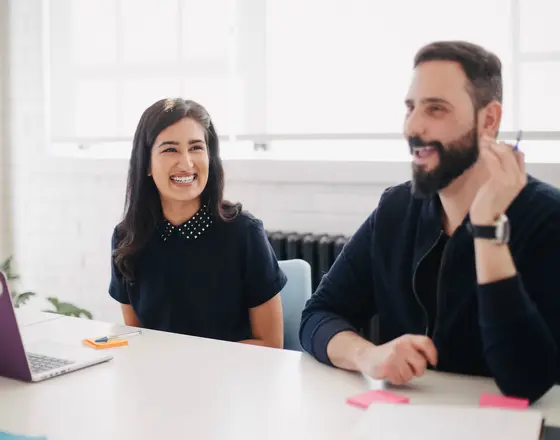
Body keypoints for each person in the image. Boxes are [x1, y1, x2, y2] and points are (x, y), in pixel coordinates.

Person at [299, 41, 560, 403]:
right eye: (411, 107)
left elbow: (527, 382)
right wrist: (368, 355)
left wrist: (488, 230)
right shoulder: (396, 208)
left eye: (436, 109)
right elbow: (318, 315)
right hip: (407, 419)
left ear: (489, 120)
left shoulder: (547, 218)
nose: (413, 126)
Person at [109, 98, 286, 348]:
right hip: (158, 379)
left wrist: (191, 364)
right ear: (146, 163)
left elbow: (271, 344)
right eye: (170, 149)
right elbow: (138, 339)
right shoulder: (127, 238)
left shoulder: (244, 233)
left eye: (196, 148)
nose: (186, 163)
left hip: (233, 380)